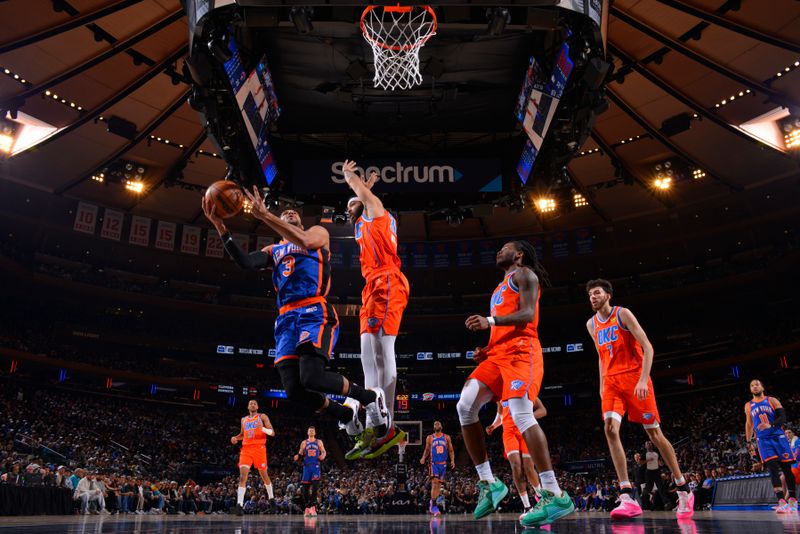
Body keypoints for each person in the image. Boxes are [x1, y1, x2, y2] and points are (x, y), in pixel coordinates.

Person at [202, 188, 389, 464]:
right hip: (285, 318)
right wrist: (221, 226)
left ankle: (370, 397)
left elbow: (302, 238)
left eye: (293, 213)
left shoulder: (317, 234)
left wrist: (265, 214)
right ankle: (346, 414)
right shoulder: (273, 250)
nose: (289, 212)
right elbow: (245, 262)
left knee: (312, 377)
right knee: (294, 390)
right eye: (284, 212)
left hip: (314, 310)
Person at [457, 240, 573, 528]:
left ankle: (554, 493)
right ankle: (490, 483)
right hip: (497, 355)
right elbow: (503, 327)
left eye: (505, 247)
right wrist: (486, 348)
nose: (498, 251)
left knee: (522, 414)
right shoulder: (499, 286)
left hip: (523, 352)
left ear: (518, 255)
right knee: (465, 406)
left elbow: (528, 315)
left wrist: (489, 320)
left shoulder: (525, 275)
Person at [586, 279, 693, 520]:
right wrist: (602, 384)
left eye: (597, 293)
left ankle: (683, 487)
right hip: (612, 382)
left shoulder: (623, 314)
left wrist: (644, 379)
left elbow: (648, 346)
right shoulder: (591, 324)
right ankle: (626, 495)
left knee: (655, 434)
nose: (592, 297)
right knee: (610, 429)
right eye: (590, 295)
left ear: (608, 295)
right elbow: (601, 357)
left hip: (635, 378)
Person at [343, 159, 410, 459]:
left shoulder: (378, 215)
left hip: (386, 280)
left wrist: (350, 177)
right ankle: (375, 416)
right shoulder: (364, 221)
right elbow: (362, 198)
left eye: (351, 203)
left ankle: (386, 424)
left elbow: (364, 197)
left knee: (383, 352)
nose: (348, 208)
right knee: (368, 356)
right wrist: (364, 188)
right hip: (372, 285)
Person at [486, 396, 547, 516]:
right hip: (509, 433)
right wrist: (493, 425)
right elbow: (501, 415)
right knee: (516, 466)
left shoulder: (526, 388)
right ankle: (527, 506)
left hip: (525, 430)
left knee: (529, 468)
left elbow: (543, 411)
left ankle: (540, 496)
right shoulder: (500, 393)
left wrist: (527, 417)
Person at [745, 379, 797, 513]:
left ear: (762, 387)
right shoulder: (748, 405)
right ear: (751, 390)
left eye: (757, 384)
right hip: (763, 440)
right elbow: (749, 424)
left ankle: (792, 499)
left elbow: (782, 417)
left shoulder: (772, 400)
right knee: (773, 468)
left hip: (778, 437)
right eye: (752, 385)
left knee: (786, 468)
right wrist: (748, 441)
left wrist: (771, 425)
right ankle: (781, 500)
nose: (755, 386)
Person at [230, 399, 275, 515]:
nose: (253, 404)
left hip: (259, 449)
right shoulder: (243, 420)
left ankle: (271, 499)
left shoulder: (262, 416)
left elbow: (272, 433)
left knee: (264, 476)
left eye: (255, 403)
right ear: (248, 406)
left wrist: (263, 429)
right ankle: (239, 505)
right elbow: (242, 435)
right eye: (250, 403)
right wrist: (235, 438)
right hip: (246, 450)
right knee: (242, 477)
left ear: (258, 406)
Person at [420, 421, 455, 516]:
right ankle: (434, 506)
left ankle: (433, 502)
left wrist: (452, 461)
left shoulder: (446, 437)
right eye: (435, 424)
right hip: (433, 463)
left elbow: (451, 450)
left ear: (441, 426)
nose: (436, 424)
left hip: (443, 464)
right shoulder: (430, 438)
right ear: (433, 427)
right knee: (434, 482)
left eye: (438, 423)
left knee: (439, 486)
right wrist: (423, 457)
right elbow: (427, 450)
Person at [294, 426, 327, 518]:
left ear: (315, 432)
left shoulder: (319, 442)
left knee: (315, 487)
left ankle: (313, 507)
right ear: (307, 432)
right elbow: (300, 453)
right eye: (310, 430)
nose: (311, 431)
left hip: (315, 466)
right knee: (305, 489)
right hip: (306, 467)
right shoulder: (304, 443)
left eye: (313, 430)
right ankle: (307, 508)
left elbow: (324, 451)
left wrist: (323, 456)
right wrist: (297, 456)